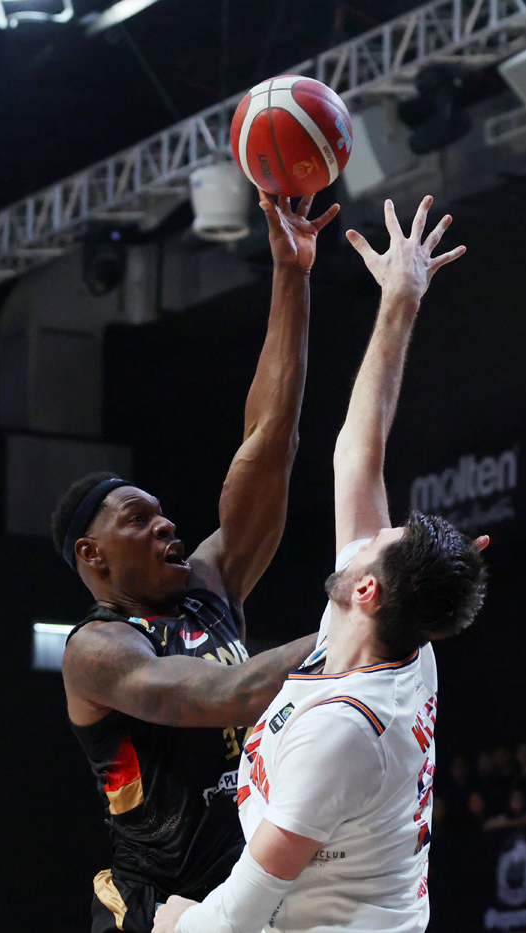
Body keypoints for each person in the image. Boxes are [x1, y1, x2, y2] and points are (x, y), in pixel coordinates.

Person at [152, 195, 480, 933]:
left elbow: (233, 921)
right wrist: (400, 299)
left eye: (380, 536)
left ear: (368, 588)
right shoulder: (385, 630)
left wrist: (171, 921)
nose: (367, 525)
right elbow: (357, 453)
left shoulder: (346, 730)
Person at [55, 191, 340, 933]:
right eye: (137, 519)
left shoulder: (208, 586)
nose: (166, 523)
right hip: (154, 906)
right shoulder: (97, 650)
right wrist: (356, 626)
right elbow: (221, 695)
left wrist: (291, 272)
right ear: (93, 555)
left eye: (161, 511)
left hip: (247, 890)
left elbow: (271, 436)